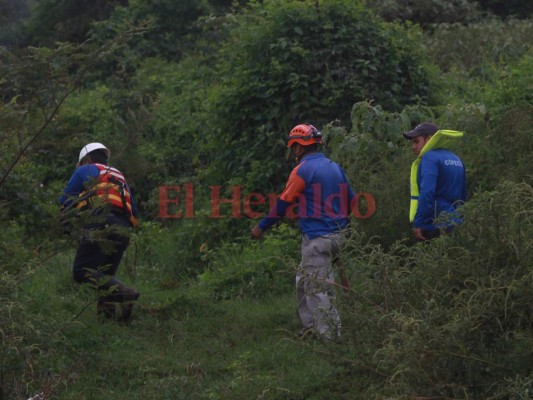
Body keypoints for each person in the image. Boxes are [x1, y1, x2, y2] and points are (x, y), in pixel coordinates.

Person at [251, 124, 355, 340]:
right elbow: (352, 200)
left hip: (318, 239)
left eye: (293, 148)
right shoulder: (334, 166)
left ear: (298, 147)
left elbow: (283, 204)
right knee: (304, 280)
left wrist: (262, 227)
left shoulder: (302, 170)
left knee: (318, 288)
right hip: (337, 236)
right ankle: (310, 326)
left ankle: (330, 337)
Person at [60, 143, 140, 322]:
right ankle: (108, 323)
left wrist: (63, 224)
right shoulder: (118, 176)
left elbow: (65, 201)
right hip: (123, 229)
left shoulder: (85, 170)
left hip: (101, 222)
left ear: (86, 160)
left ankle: (125, 293)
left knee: (81, 272)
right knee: (104, 277)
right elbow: (134, 212)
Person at [403, 122, 467, 241]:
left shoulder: (429, 158)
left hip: (435, 224)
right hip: (456, 222)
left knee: (430, 258)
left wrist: (420, 222)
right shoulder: (456, 158)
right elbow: (463, 195)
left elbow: (427, 192)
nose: (413, 147)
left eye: (417, 141)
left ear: (429, 139)